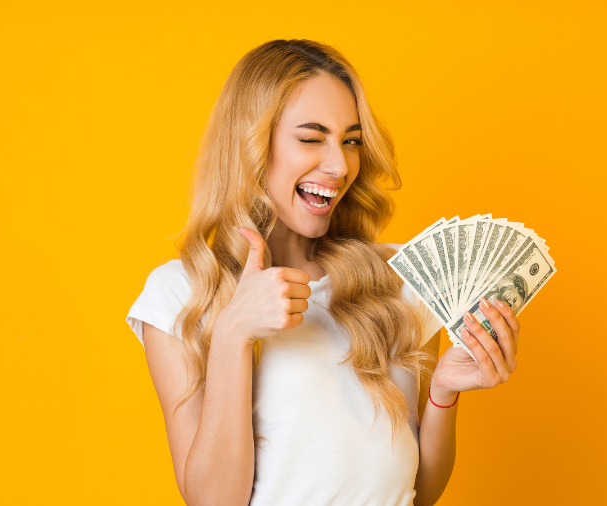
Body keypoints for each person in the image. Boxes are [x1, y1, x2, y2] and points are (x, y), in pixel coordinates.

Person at [125, 39, 522, 506]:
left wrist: (443, 393)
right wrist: (233, 332)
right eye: (312, 138)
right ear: (250, 145)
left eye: (351, 141)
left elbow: (417, 491)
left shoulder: (400, 280)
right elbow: (212, 502)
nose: (339, 165)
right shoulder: (181, 295)